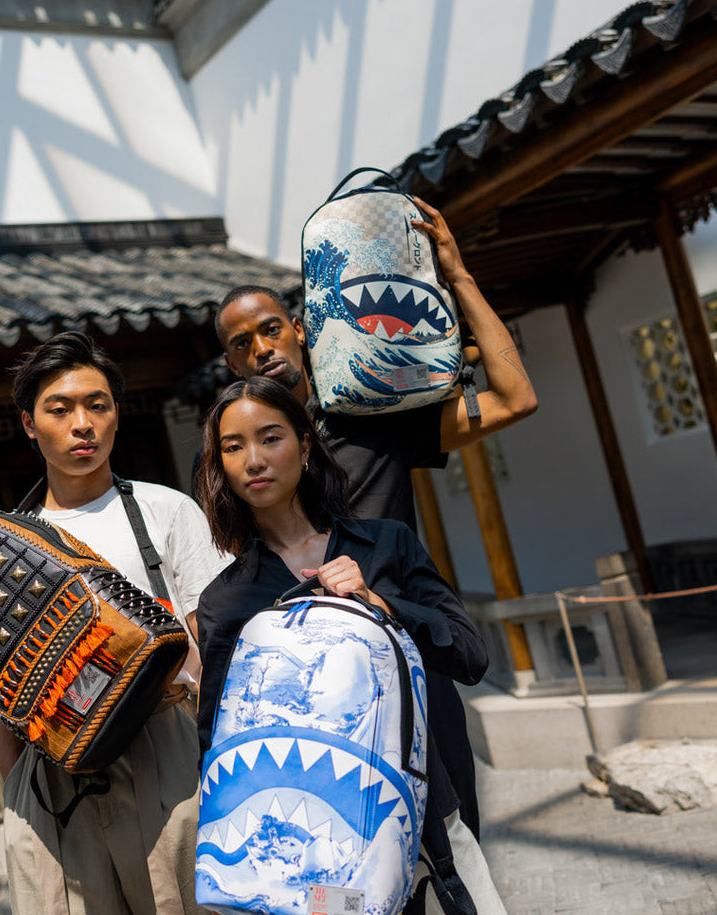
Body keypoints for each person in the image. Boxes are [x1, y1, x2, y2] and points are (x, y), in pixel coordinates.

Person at [192, 376, 648, 915]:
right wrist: (259, 892)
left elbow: (469, 652)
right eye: (232, 447)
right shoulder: (228, 603)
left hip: (426, 834)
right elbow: (223, 751)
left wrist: (380, 602)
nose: (253, 458)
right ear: (217, 468)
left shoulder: (387, 543)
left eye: (271, 437)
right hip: (304, 873)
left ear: (303, 446)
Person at [0, 332, 292, 915]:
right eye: (60, 410)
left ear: (117, 413)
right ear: (29, 425)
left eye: (98, 406)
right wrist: (20, 802)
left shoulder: (163, 513)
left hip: (163, 767)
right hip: (52, 794)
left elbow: (210, 646)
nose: (83, 426)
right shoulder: (8, 541)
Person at [213, 199, 535, 844]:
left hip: (407, 654)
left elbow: (514, 398)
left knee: (452, 846)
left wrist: (458, 277)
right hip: (315, 690)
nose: (260, 348)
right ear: (231, 365)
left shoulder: (376, 416)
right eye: (240, 344)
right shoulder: (241, 456)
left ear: (300, 329)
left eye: (270, 329)